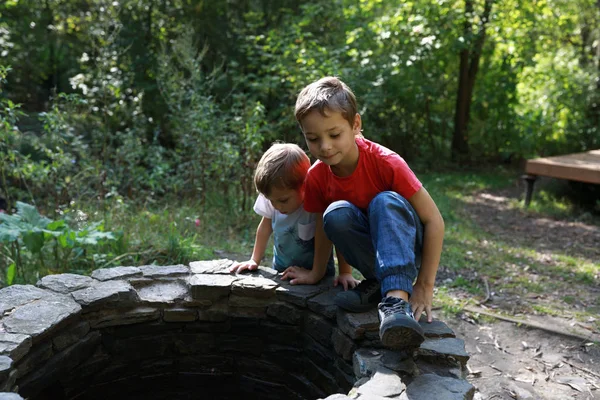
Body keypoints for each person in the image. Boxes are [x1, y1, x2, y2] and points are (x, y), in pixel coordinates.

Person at [283, 76, 445, 350]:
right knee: (334, 214)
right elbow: (328, 229)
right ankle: (377, 286)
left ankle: (396, 301)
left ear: (355, 125)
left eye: (334, 135)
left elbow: (434, 221)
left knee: (384, 202)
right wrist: (319, 271)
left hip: (406, 249)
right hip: (374, 257)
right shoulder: (318, 176)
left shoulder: (386, 163)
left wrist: (424, 285)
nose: (325, 146)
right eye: (313, 138)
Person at [230, 143, 360, 292]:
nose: (276, 206)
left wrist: (345, 272)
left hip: (319, 276)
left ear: (305, 185)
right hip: (282, 271)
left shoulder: (316, 204)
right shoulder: (274, 198)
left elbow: (337, 237)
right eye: (270, 200)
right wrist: (254, 259)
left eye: (283, 200)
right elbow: (264, 228)